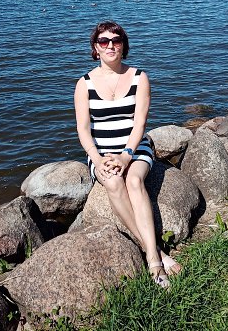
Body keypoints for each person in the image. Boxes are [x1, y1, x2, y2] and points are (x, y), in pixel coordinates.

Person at [74, 20, 181, 289]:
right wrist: (97, 159)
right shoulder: (84, 84)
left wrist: (126, 156)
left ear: (123, 45)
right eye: (104, 41)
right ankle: (155, 252)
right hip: (101, 152)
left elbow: (140, 124)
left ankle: (152, 261)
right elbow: (83, 129)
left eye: (116, 40)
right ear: (95, 48)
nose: (110, 45)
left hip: (135, 147)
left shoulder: (139, 77)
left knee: (134, 181)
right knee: (112, 183)